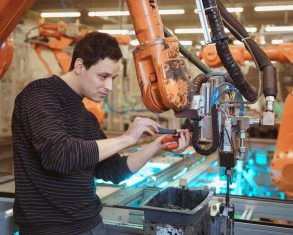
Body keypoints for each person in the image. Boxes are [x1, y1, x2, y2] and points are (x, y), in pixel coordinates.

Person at [12, 31, 190, 235]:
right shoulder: (39, 95)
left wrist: (157, 145)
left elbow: (113, 170)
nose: (109, 86)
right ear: (79, 66)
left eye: (112, 78)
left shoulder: (86, 117)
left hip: (91, 224)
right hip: (51, 229)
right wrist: (127, 138)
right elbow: (59, 155)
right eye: (103, 76)